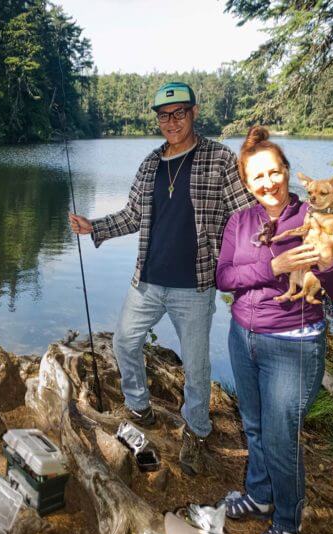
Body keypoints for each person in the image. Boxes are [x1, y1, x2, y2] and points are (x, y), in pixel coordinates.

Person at [69, 82, 252, 476]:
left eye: (179, 113)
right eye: (164, 115)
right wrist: (93, 226)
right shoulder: (151, 164)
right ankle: (139, 406)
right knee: (124, 342)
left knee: (198, 365)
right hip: (147, 281)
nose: (171, 122)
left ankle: (197, 432)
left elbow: (245, 215)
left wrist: (282, 230)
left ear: (194, 112)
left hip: (195, 285)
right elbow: (133, 215)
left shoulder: (219, 158)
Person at [215, 126, 333, 534]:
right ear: (246, 183)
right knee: (254, 426)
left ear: (288, 172)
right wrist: (273, 265)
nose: (268, 183)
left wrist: (329, 263)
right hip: (244, 337)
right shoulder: (239, 221)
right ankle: (258, 495)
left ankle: (288, 517)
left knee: (280, 437)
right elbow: (224, 277)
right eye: (258, 177)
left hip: (294, 345)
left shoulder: (316, 219)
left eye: (274, 172)